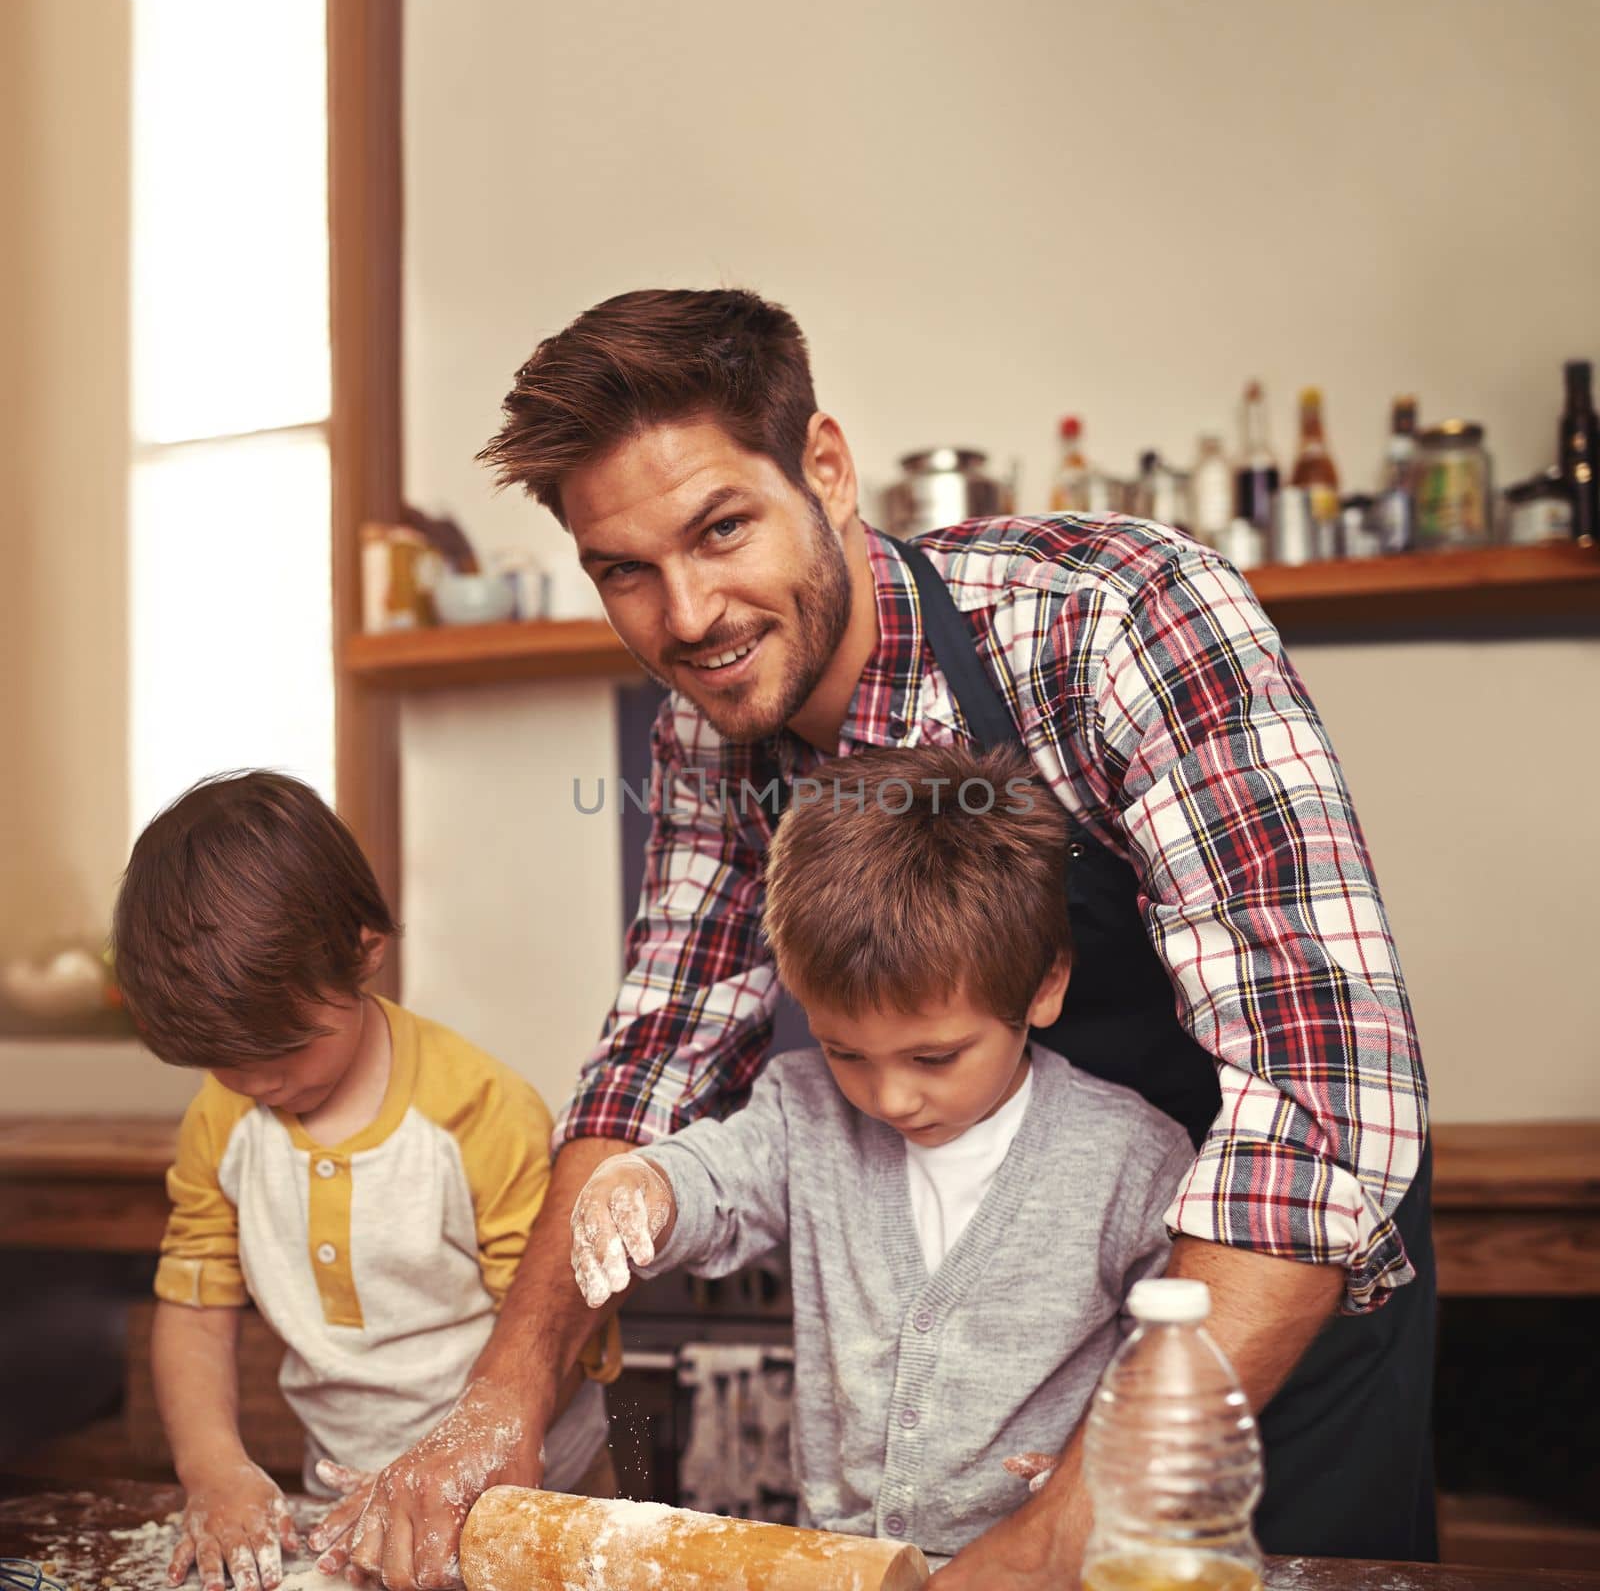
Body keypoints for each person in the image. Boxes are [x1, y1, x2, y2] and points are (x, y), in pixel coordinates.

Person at [343, 288, 1434, 1591]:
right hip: (985, 1392)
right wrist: (505, 1390)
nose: (686, 616)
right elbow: (657, 1064)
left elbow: (1318, 1108)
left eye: (722, 529)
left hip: (1248, 1322)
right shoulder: (718, 731)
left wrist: (1066, 1530)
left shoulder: (1114, 618)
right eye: (624, 571)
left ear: (828, 468)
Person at [569, 742, 1197, 1559]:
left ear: (1043, 986)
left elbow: (1180, 1366)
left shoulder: (1132, 1158)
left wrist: (1094, 1475)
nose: (891, 1098)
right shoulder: (805, 1112)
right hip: (843, 1565)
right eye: (846, 1052)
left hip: (1056, 1565)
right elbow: (720, 1176)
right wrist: (646, 1184)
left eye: (934, 1058)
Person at [112, 771, 620, 1591]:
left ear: (364, 952)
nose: (261, 1087)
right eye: (227, 1065)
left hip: (535, 1495)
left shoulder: (480, 1112)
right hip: (347, 1503)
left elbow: (557, 1327)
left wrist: (460, 1470)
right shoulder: (221, 1120)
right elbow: (198, 1312)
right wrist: (213, 1471)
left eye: (284, 1053)